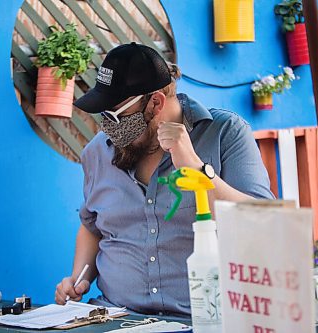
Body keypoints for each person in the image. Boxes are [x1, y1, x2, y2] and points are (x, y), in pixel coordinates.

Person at [54, 42, 274, 317]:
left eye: (115, 115)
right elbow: (92, 226)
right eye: (103, 116)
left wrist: (196, 169)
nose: (108, 127)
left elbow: (263, 226)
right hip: (115, 318)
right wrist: (78, 277)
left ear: (155, 102)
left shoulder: (225, 133)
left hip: (203, 321)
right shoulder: (97, 152)